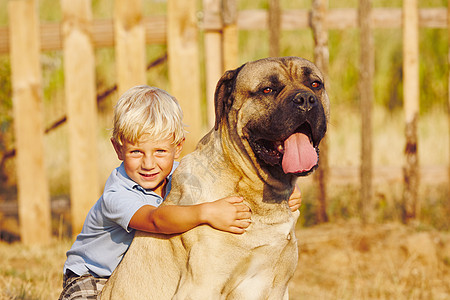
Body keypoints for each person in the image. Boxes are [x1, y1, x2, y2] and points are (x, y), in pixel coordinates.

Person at [59, 85, 302, 300]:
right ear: (118, 149)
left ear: (177, 148)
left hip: (140, 275)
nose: (149, 164)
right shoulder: (118, 194)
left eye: (160, 152)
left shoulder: (180, 173)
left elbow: (231, 181)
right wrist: (206, 213)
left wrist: (281, 196)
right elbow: (156, 220)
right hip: (93, 276)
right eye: (136, 152)